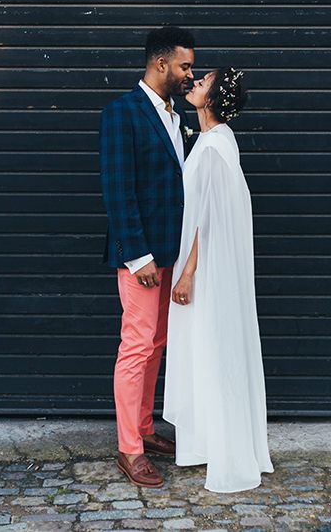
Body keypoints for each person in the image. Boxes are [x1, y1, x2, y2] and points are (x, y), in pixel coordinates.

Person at [163, 67, 274, 493]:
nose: (193, 84)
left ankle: (219, 446)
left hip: (203, 271)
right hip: (214, 269)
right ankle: (212, 440)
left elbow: (205, 221)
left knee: (208, 349)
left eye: (202, 82)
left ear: (212, 98)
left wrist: (187, 273)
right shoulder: (222, 140)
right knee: (213, 349)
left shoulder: (211, 147)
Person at [99, 26, 198, 488]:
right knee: (136, 348)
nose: (188, 74)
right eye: (184, 66)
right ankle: (129, 450)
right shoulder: (123, 113)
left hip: (171, 254)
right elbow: (118, 191)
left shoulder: (177, 116)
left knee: (157, 345)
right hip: (140, 259)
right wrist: (137, 257)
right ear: (161, 64)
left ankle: (144, 427)